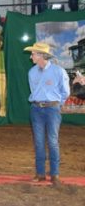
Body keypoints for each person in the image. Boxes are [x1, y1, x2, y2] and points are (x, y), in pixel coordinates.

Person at [24, 42, 70, 184]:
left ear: (41, 55)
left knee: (52, 141)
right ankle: (40, 173)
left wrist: (57, 104)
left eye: (33, 54)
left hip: (52, 109)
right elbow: (34, 91)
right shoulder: (31, 72)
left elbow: (65, 92)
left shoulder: (58, 71)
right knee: (39, 142)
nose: (31, 56)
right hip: (36, 108)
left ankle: (55, 174)